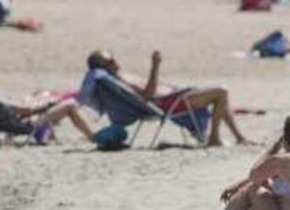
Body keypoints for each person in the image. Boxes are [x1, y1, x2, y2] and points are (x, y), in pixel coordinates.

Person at [82, 49, 250, 146]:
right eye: (110, 62)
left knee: (220, 95)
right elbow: (148, 94)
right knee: (221, 92)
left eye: (113, 59)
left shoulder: (120, 75)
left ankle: (239, 137)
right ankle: (215, 138)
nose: (115, 63)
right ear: (103, 67)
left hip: (174, 98)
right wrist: (155, 66)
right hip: (170, 104)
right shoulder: (120, 79)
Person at [0, 74, 96, 144]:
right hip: (24, 126)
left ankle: (50, 133)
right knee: (70, 104)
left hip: (6, 126)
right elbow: (27, 110)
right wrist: (51, 103)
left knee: (38, 95)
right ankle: (94, 137)